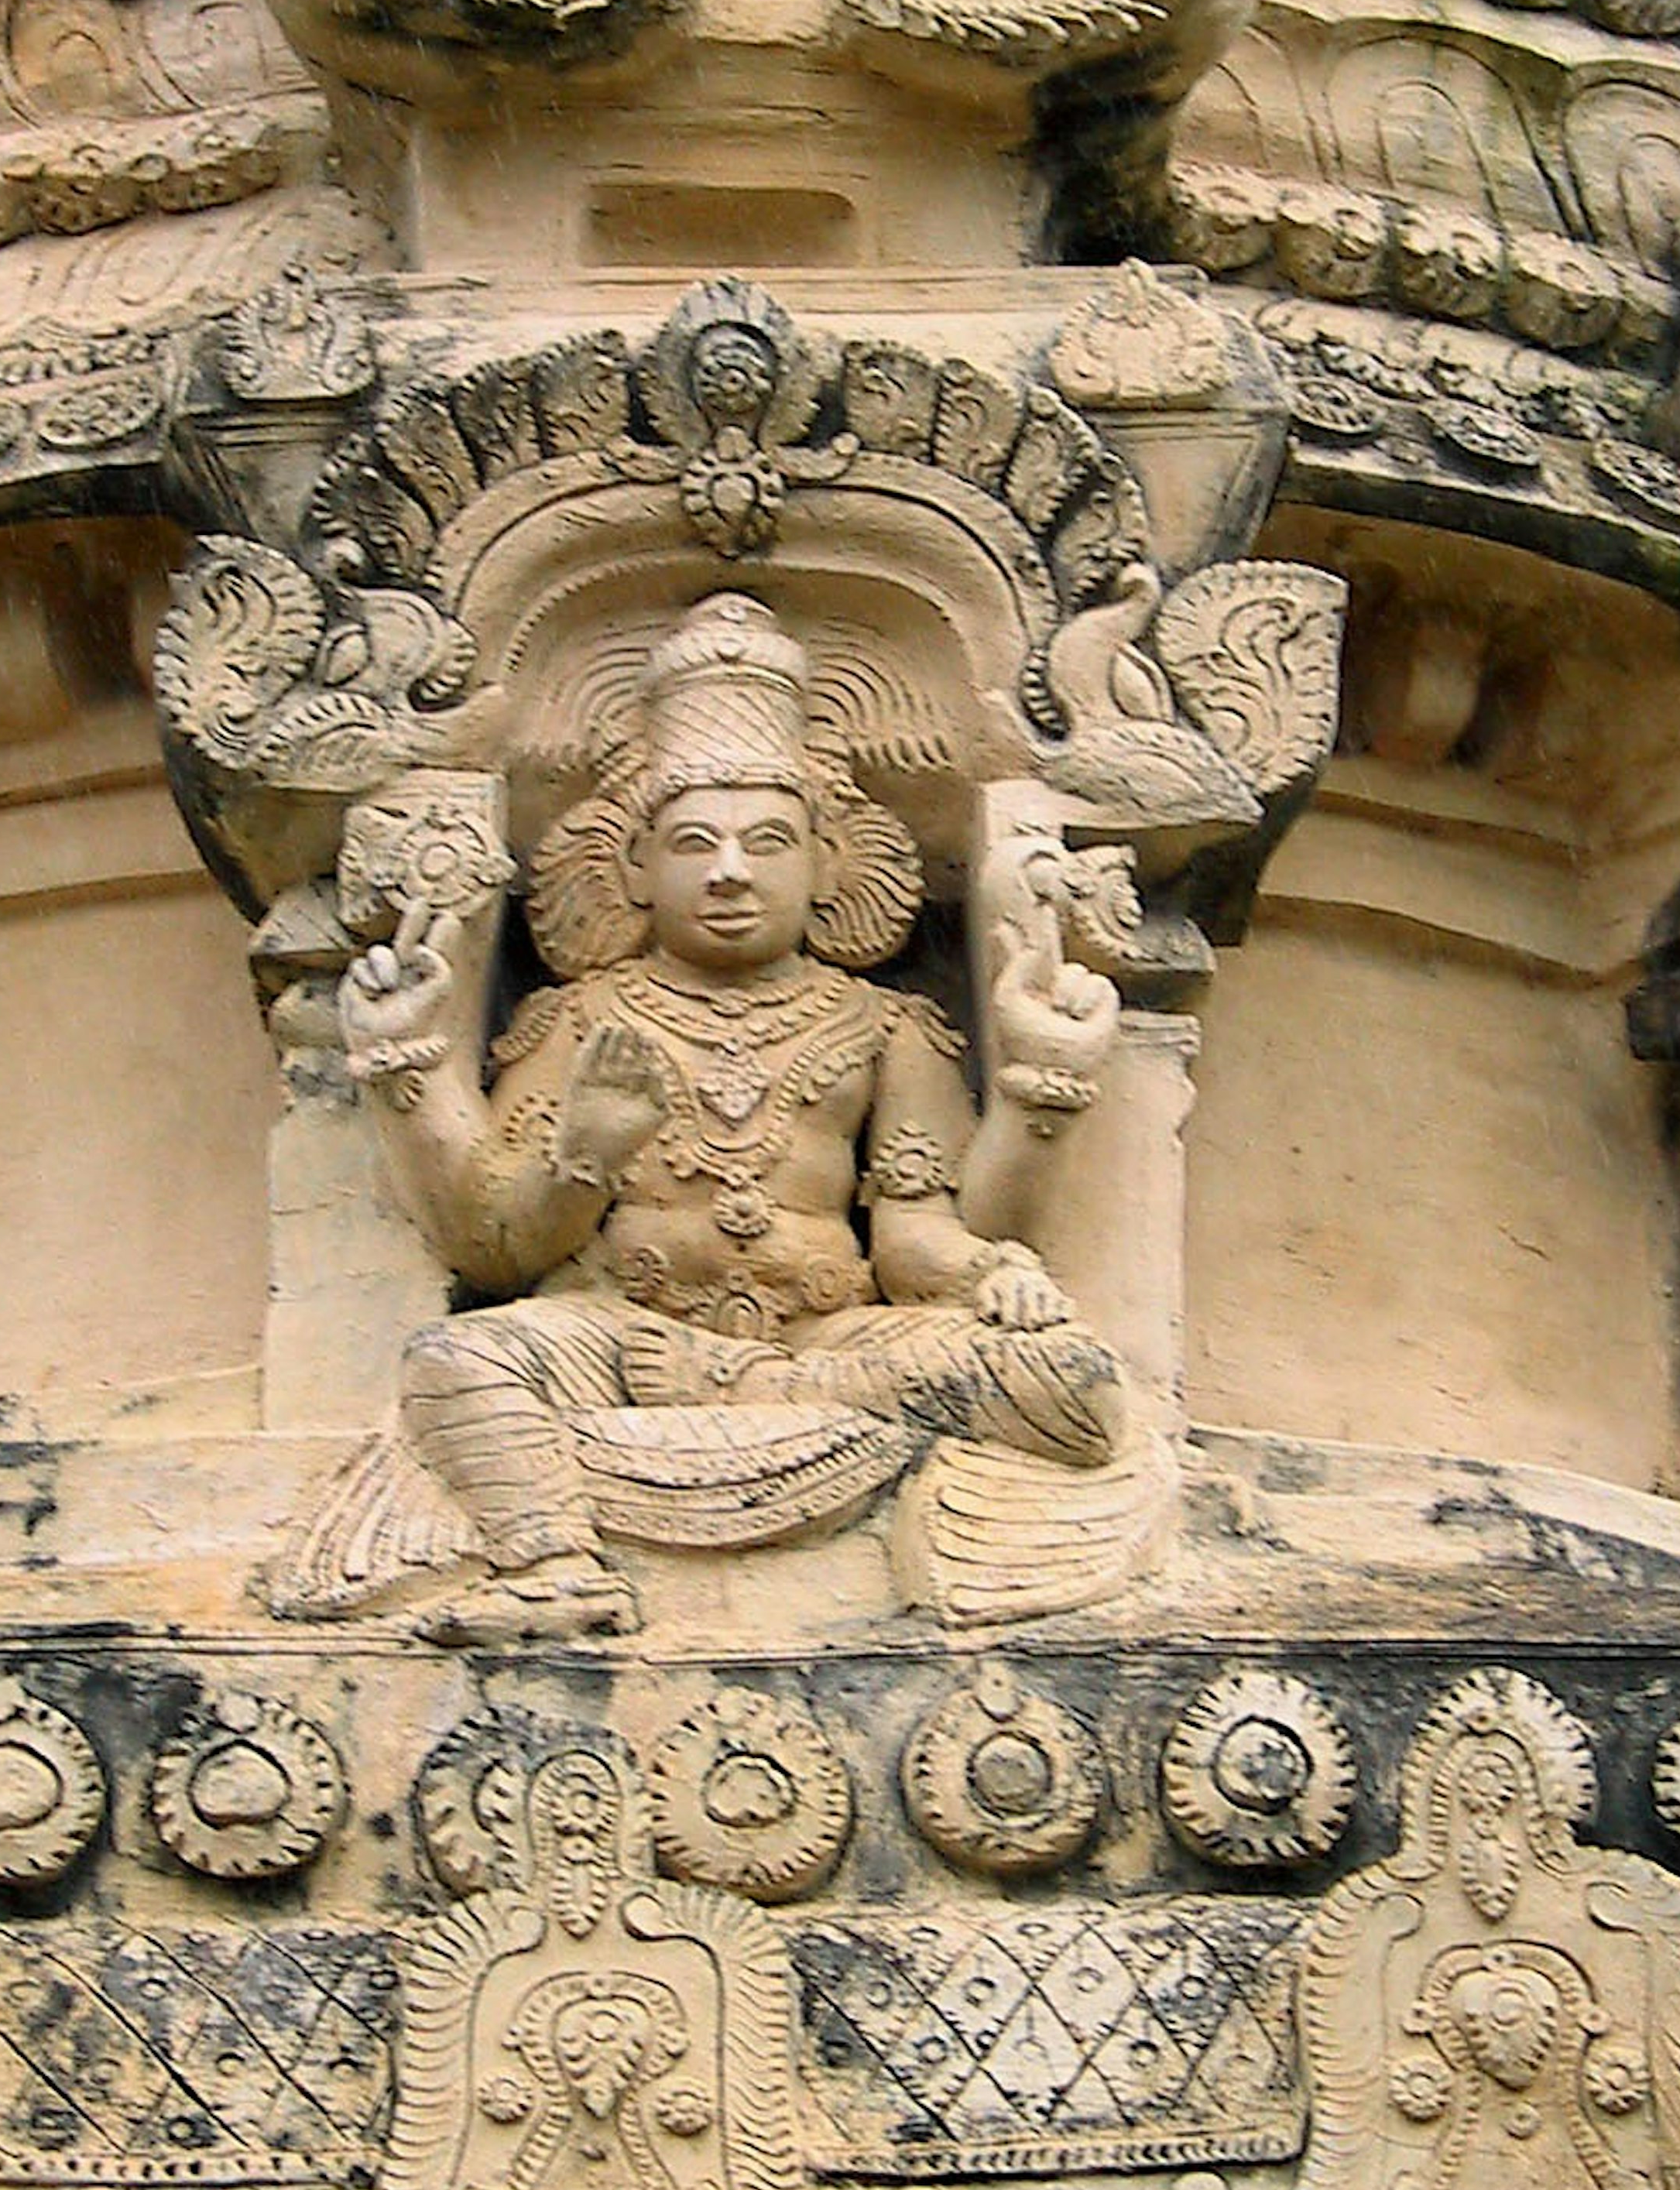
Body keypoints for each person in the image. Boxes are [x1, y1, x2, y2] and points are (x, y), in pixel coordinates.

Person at [338, 595, 1123, 1640]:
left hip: (829, 1339)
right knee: (456, 1362)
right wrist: (575, 1155)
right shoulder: (580, 1017)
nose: (728, 871)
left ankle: (757, 1386)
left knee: (1073, 1384)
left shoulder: (887, 1026)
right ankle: (555, 1566)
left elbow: (916, 1233)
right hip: (619, 1338)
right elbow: (493, 1243)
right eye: (692, 842)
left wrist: (1006, 1233)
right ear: (635, 868)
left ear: (829, 862)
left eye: (769, 841)